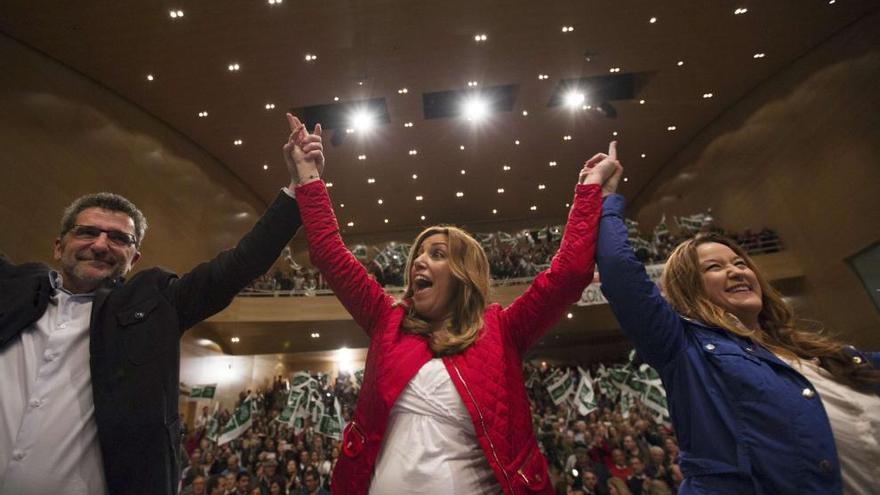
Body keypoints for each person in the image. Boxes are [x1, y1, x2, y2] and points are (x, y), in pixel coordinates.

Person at [285, 114, 617, 494]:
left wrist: (590, 191)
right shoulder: (387, 320)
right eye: (419, 254)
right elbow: (329, 254)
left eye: (437, 254)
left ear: (463, 274)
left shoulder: (503, 331)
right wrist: (308, 175)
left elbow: (570, 276)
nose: (419, 261)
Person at [0, 131, 310, 494]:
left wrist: (296, 189)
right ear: (59, 246)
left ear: (134, 259)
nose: (100, 245)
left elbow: (238, 267)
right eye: (87, 232)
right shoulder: (13, 289)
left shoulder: (154, 306)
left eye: (118, 239)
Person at [595, 150, 880, 493]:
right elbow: (620, 274)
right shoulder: (685, 348)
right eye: (715, 267)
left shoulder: (812, 349)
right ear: (689, 288)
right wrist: (606, 198)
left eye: (740, 262)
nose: (736, 270)